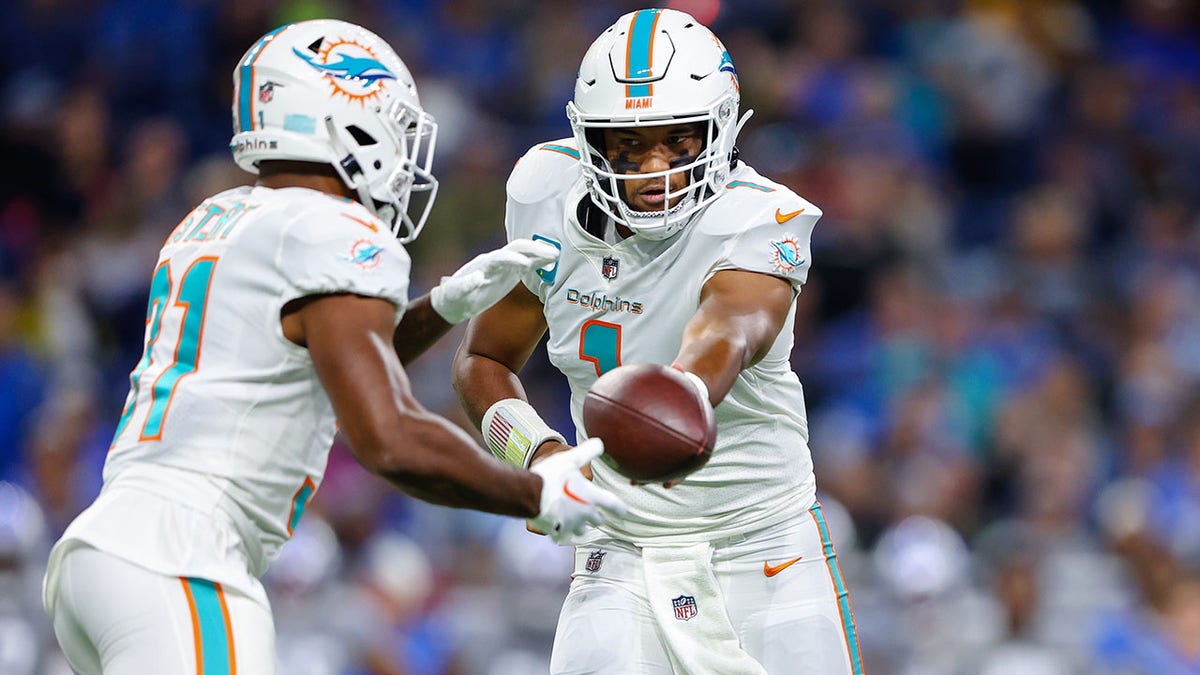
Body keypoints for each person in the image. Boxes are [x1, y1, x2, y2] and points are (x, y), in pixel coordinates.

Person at [41, 19, 623, 675]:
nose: (404, 158)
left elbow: (328, 370)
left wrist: (442, 306)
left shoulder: (215, 215)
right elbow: (386, 435)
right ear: (342, 120)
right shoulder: (333, 230)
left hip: (102, 553)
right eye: (396, 128)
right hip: (183, 558)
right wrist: (531, 492)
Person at [452, 8, 863, 674]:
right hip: (620, 544)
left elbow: (728, 326)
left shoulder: (762, 217)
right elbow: (482, 360)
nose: (654, 168)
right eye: (629, 143)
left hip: (762, 544)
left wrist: (681, 395)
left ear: (722, 131)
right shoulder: (543, 192)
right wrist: (543, 455)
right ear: (590, 140)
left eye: (679, 142)